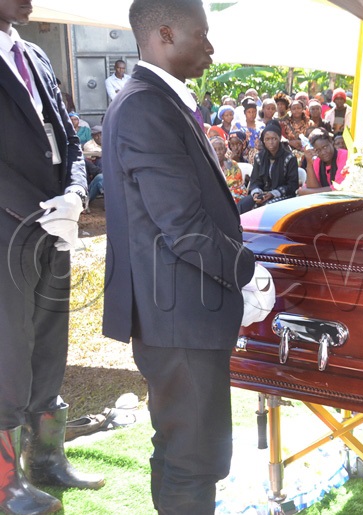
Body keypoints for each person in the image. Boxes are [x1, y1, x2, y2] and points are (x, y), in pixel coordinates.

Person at [101, 0, 271, 512]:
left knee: (190, 454)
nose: (212, 48)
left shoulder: (156, 101)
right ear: (167, 34)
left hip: (178, 311)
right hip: (176, 313)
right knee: (192, 460)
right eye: (204, 35)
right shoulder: (144, 107)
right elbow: (183, 226)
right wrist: (248, 273)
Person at [0, 0, 102, 511]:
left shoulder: (34, 54)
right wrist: (42, 213)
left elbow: (67, 132)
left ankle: (46, 460)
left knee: (49, 341)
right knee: (8, 354)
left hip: (53, 223)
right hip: (9, 231)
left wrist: (77, 195)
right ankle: (4, 484)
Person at [239, 121, 299, 213]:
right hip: (263, 193)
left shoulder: (290, 158)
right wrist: (256, 193)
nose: (271, 142)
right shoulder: (259, 157)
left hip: (283, 195)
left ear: (279, 139)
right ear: (263, 141)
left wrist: (272, 194)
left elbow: (292, 185)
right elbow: (255, 181)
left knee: (266, 208)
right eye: (267, 139)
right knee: (242, 205)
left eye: (274, 138)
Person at [300, 129, 349, 194]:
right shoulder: (318, 161)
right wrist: (309, 163)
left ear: (331, 142)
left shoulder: (344, 155)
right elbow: (312, 187)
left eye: (325, 147)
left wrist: (307, 192)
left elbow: (338, 188)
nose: (323, 152)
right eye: (318, 150)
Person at [211, 135, 245, 204]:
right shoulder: (208, 165)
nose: (218, 152)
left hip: (231, 195)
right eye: (214, 150)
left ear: (225, 150)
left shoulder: (231, 165)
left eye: (220, 149)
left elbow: (236, 186)